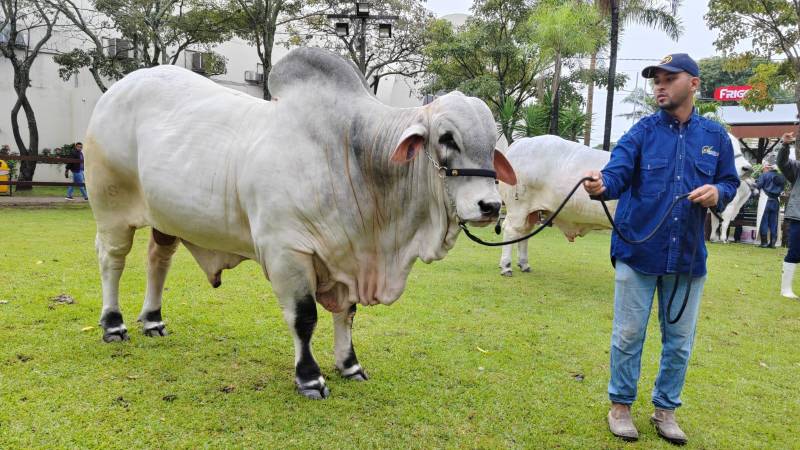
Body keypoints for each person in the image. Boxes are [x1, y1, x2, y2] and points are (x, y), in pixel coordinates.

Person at [583, 53, 740, 445]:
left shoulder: (715, 137)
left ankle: (665, 410)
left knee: (680, 342)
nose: (660, 84)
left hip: (687, 258)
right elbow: (616, 174)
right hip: (639, 253)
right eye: (656, 78)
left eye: (670, 78)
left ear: (694, 84)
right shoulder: (640, 132)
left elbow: (731, 182)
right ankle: (620, 407)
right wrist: (600, 184)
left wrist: (718, 191)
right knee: (628, 334)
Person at [776, 131, 800, 298]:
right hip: (798, 216)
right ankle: (786, 289)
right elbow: (782, 163)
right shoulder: (797, 167)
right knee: (795, 251)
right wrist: (785, 145)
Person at [755, 162, 785, 248]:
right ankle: (772, 243)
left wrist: (755, 183)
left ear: (768, 168)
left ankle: (764, 242)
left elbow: (758, 186)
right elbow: (782, 189)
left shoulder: (764, 175)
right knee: (773, 223)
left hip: (765, 200)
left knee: (763, 221)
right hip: (776, 201)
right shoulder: (781, 177)